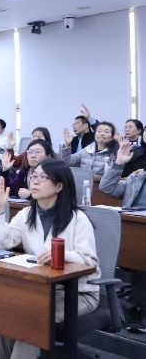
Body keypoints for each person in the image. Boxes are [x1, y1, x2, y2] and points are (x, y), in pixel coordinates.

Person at [0, 159, 100, 358]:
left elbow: (90, 261)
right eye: (34, 176)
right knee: (8, 309)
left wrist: (63, 255)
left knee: (32, 315)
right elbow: (3, 243)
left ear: (59, 186)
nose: (35, 181)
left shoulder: (78, 218)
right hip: (42, 288)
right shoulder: (27, 214)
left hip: (78, 294)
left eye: (43, 177)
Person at [100, 142, 146, 332]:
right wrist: (118, 164)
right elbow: (107, 188)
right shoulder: (137, 177)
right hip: (133, 236)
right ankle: (135, 307)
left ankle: (137, 308)